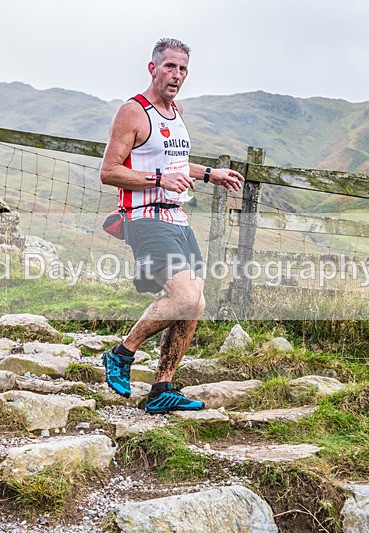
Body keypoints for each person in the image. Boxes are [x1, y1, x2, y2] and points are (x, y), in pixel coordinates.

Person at [99, 37, 245, 414]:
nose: (177, 75)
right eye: (170, 67)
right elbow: (110, 172)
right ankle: (122, 353)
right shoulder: (133, 112)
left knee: (196, 303)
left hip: (177, 218)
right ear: (153, 68)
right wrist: (159, 179)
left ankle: (161, 387)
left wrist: (210, 173)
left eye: (182, 69)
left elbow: (177, 166)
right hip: (145, 218)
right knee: (181, 296)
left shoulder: (176, 111)